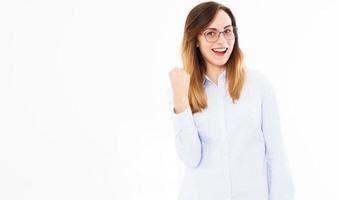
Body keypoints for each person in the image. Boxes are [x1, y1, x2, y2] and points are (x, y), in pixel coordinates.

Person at [168, 1, 295, 200]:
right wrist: (180, 101)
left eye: (227, 31)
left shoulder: (258, 85)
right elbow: (191, 158)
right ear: (196, 40)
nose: (223, 41)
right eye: (211, 33)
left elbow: (276, 158)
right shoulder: (182, 89)